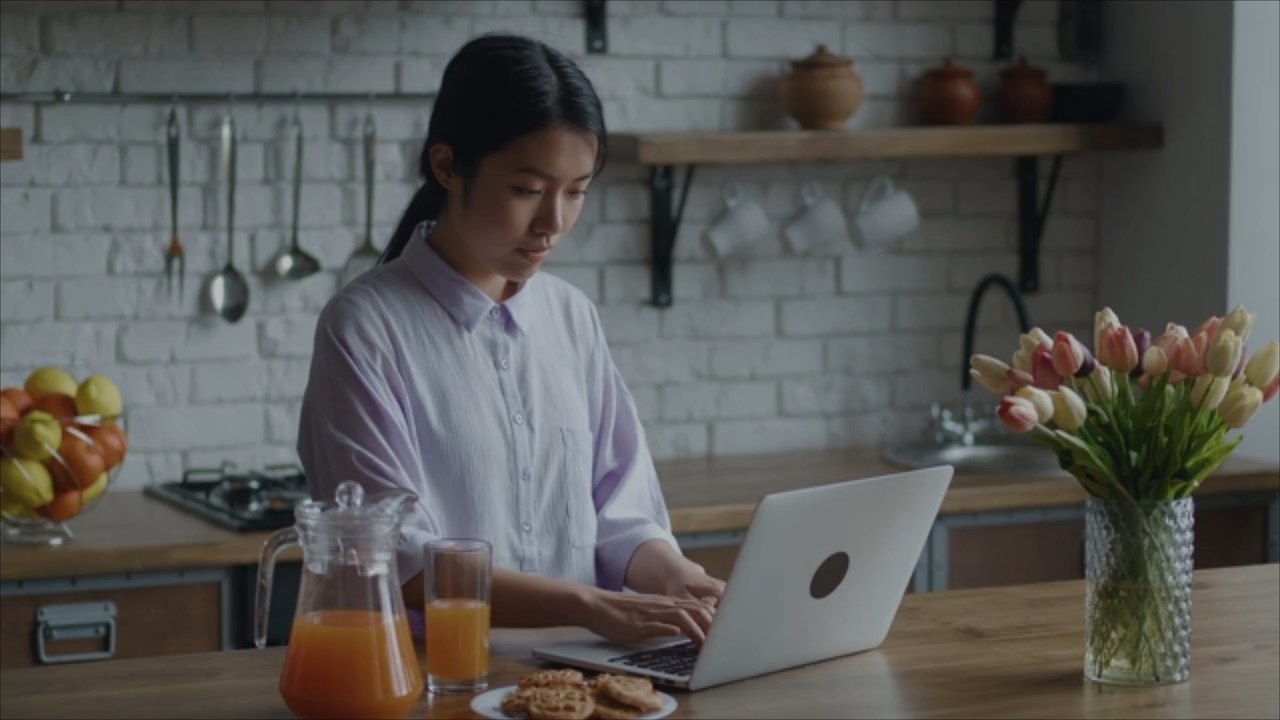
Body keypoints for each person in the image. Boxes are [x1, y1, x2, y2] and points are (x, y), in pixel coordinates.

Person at [297, 33, 724, 645]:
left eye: (576, 192)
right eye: (528, 191)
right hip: (433, 682)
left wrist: (680, 577)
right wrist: (587, 605)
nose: (554, 223)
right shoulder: (365, 327)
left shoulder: (571, 316)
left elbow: (620, 510)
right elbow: (402, 561)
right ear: (448, 166)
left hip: (583, 679)